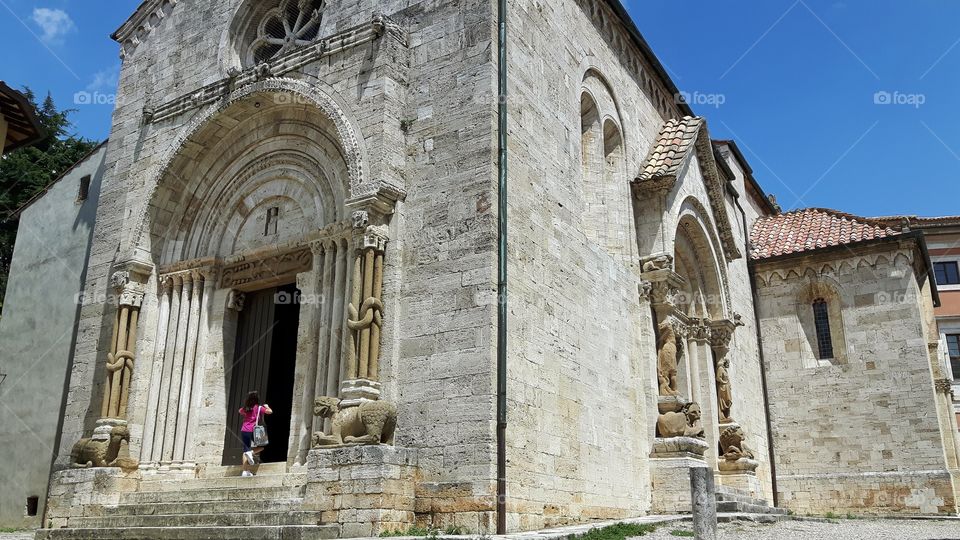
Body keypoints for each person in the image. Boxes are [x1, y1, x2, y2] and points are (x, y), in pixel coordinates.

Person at [238, 391, 272, 477]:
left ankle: (245, 471)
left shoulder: (245, 408)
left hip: (244, 430)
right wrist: (267, 406)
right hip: (254, 430)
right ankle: (251, 453)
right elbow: (270, 412)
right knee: (261, 447)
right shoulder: (259, 408)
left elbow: (240, 411)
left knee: (245, 450)